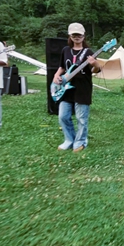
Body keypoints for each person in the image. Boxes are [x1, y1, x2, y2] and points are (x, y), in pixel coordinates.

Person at [53, 23, 101, 153]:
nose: (77, 37)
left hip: (82, 89)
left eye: (79, 34)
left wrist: (95, 64)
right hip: (66, 89)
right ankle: (69, 140)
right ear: (70, 35)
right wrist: (56, 76)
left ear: (83, 35)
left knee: (81, 118)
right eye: (74, 34)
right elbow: (62, 67)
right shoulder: (65, 51)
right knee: (62, 116)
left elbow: (95, 70)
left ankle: (80, 141)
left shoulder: (88, 52)